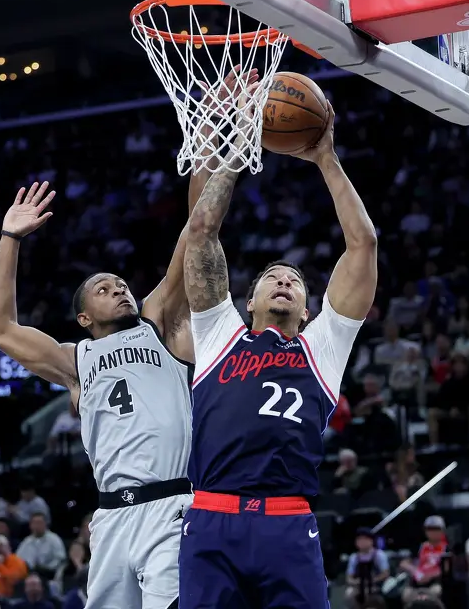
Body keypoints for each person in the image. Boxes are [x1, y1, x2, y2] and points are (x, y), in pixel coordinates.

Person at [0, 72, 256, 609]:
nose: (120, 288)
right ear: (84, 317)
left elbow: (197, 226)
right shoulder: (74, 360)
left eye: (122, 283)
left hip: (173, 505)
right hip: (109, 517)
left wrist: (216, 125)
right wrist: (9, 238)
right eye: (105, 289)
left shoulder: (158, 322)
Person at [179, 98, 376, 608]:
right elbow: (200, 233)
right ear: (249, 301)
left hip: (287, 521)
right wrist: (240, 149)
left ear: (310, 310)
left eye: (294, 280)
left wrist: (325, 159)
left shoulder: (324, 347)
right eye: (272, 277)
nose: (284, 280)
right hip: (212, 517)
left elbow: (363, 245)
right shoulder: (219, 332)